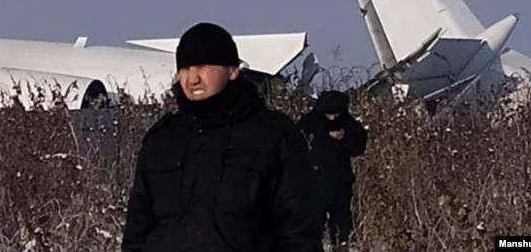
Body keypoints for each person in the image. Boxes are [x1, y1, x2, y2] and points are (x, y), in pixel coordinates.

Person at [122, 23, 321, 251]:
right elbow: (137, 230)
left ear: (232, 70)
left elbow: (299, 231)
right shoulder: (162, 140)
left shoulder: (272, 135)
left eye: (202, 66)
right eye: (185, 68)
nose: (192, 78)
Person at [297, 90, 367, 249]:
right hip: (313, 182)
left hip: (339, 183)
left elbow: (358, 147)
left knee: (341, 225)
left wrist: (344, 138)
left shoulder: (348, 124)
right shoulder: (308, 124)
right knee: (311, 225)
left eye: (337, 114)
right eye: (330, 115)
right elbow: (296, 150)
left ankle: (341, 245)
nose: (333, 118)